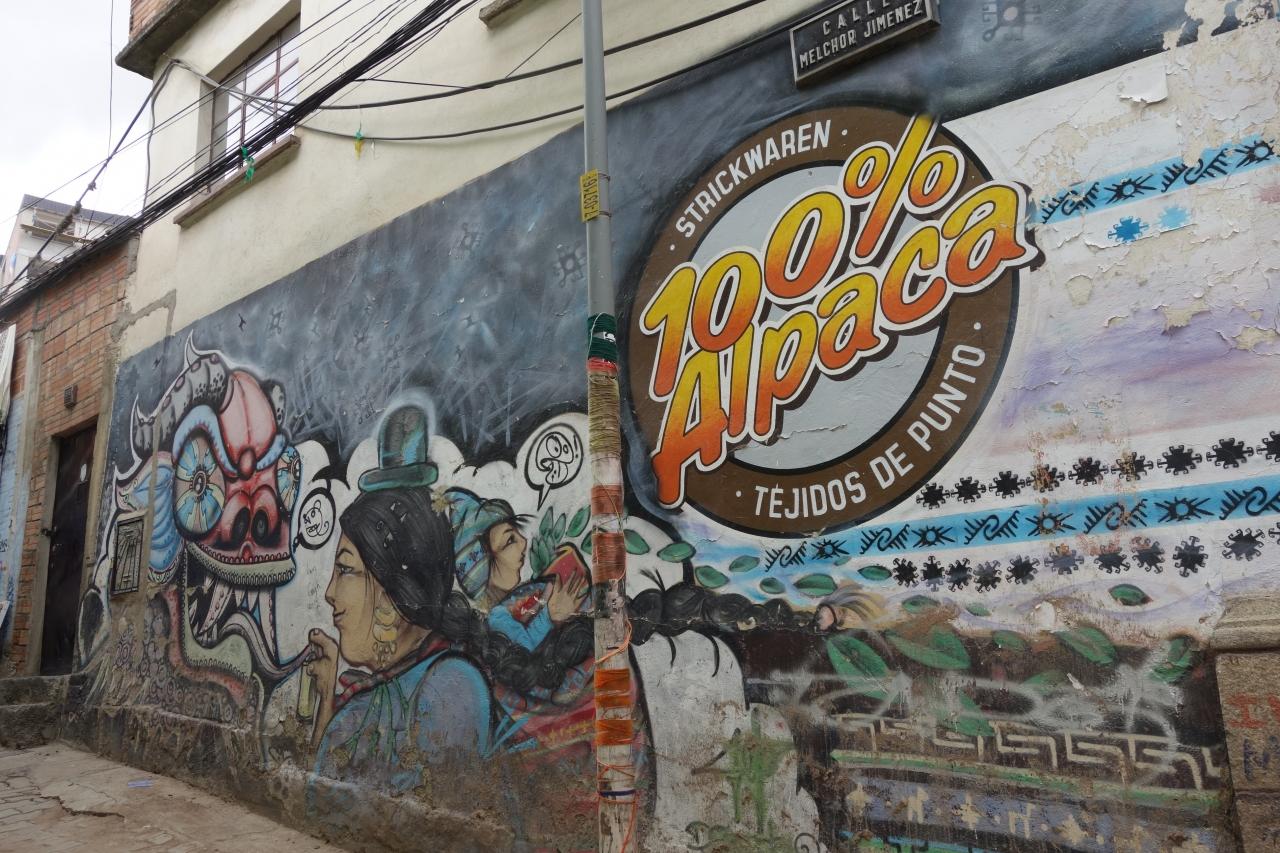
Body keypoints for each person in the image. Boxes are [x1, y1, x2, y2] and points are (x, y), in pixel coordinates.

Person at [305, 484, 493, 790]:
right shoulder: (387, 687)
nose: (329, 592)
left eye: (345, 570)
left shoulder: (450, 685)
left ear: (393, 592)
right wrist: (327, 702)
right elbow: (319, 796)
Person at [443, 488, 588, 652]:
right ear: (483, 566)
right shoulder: (496, 620)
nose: (524, 541)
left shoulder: (517, 599)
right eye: (510, 540)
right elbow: (521, 656)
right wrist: (550, 616)